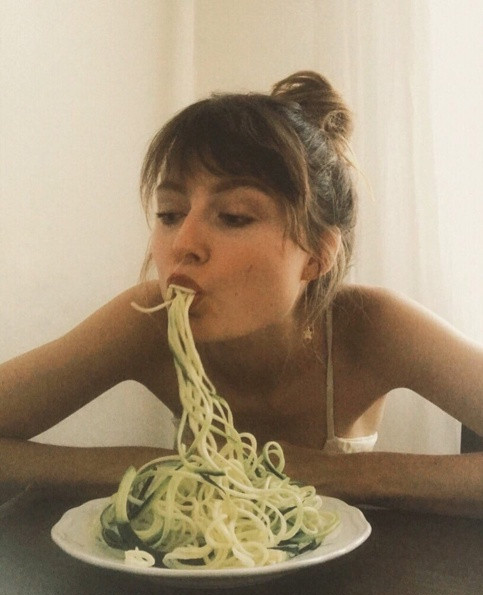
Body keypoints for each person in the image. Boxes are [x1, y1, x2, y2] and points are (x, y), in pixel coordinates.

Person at [1, 71, 482, 517]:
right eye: (170, 213)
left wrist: (336, 473)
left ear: (316, 254)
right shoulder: (149, 318)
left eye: (233, 217)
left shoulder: (373, 326)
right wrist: (159, 467)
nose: (183, 244)